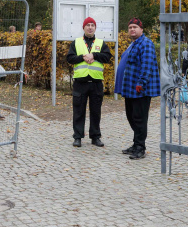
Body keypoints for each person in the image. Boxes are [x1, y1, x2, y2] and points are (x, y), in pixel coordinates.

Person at [114, 17, 160, 159]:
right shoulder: (133, 44)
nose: (132, 29)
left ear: (141, 29)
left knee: (139, 118)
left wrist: (141, 83)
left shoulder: (145, 43)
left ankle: (140, 147)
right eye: (130, 27)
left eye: (135, 27)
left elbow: (147, 66)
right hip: (130, 89)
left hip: (140, 89)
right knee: (131, 116)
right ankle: (136, 143)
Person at [66, 17, 113, 147]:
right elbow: (69, 58)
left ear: (95, 28)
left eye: (92, 25)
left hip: (96, 82)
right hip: (80, 82)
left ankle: (95, 137)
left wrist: (94, 55)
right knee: (78, 111)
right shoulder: (76, 42)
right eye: (88, 25)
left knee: (96, 111)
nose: (90, 27)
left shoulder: (101, 43)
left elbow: (108, 57)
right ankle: (78, 137)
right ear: (84, 27)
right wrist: (82, 57)